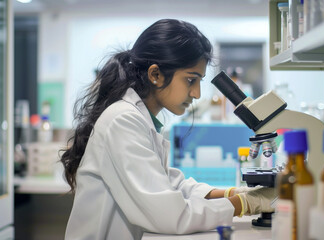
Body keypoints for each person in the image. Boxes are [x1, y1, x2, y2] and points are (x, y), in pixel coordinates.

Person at [61, 19, 276, 240]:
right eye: (191, 80)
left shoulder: (138, 119)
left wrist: (234, 193)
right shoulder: (122, 120)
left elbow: (173, 186)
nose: (197, 94)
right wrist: (244, 204)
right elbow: (171, 215)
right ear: (155, 74)